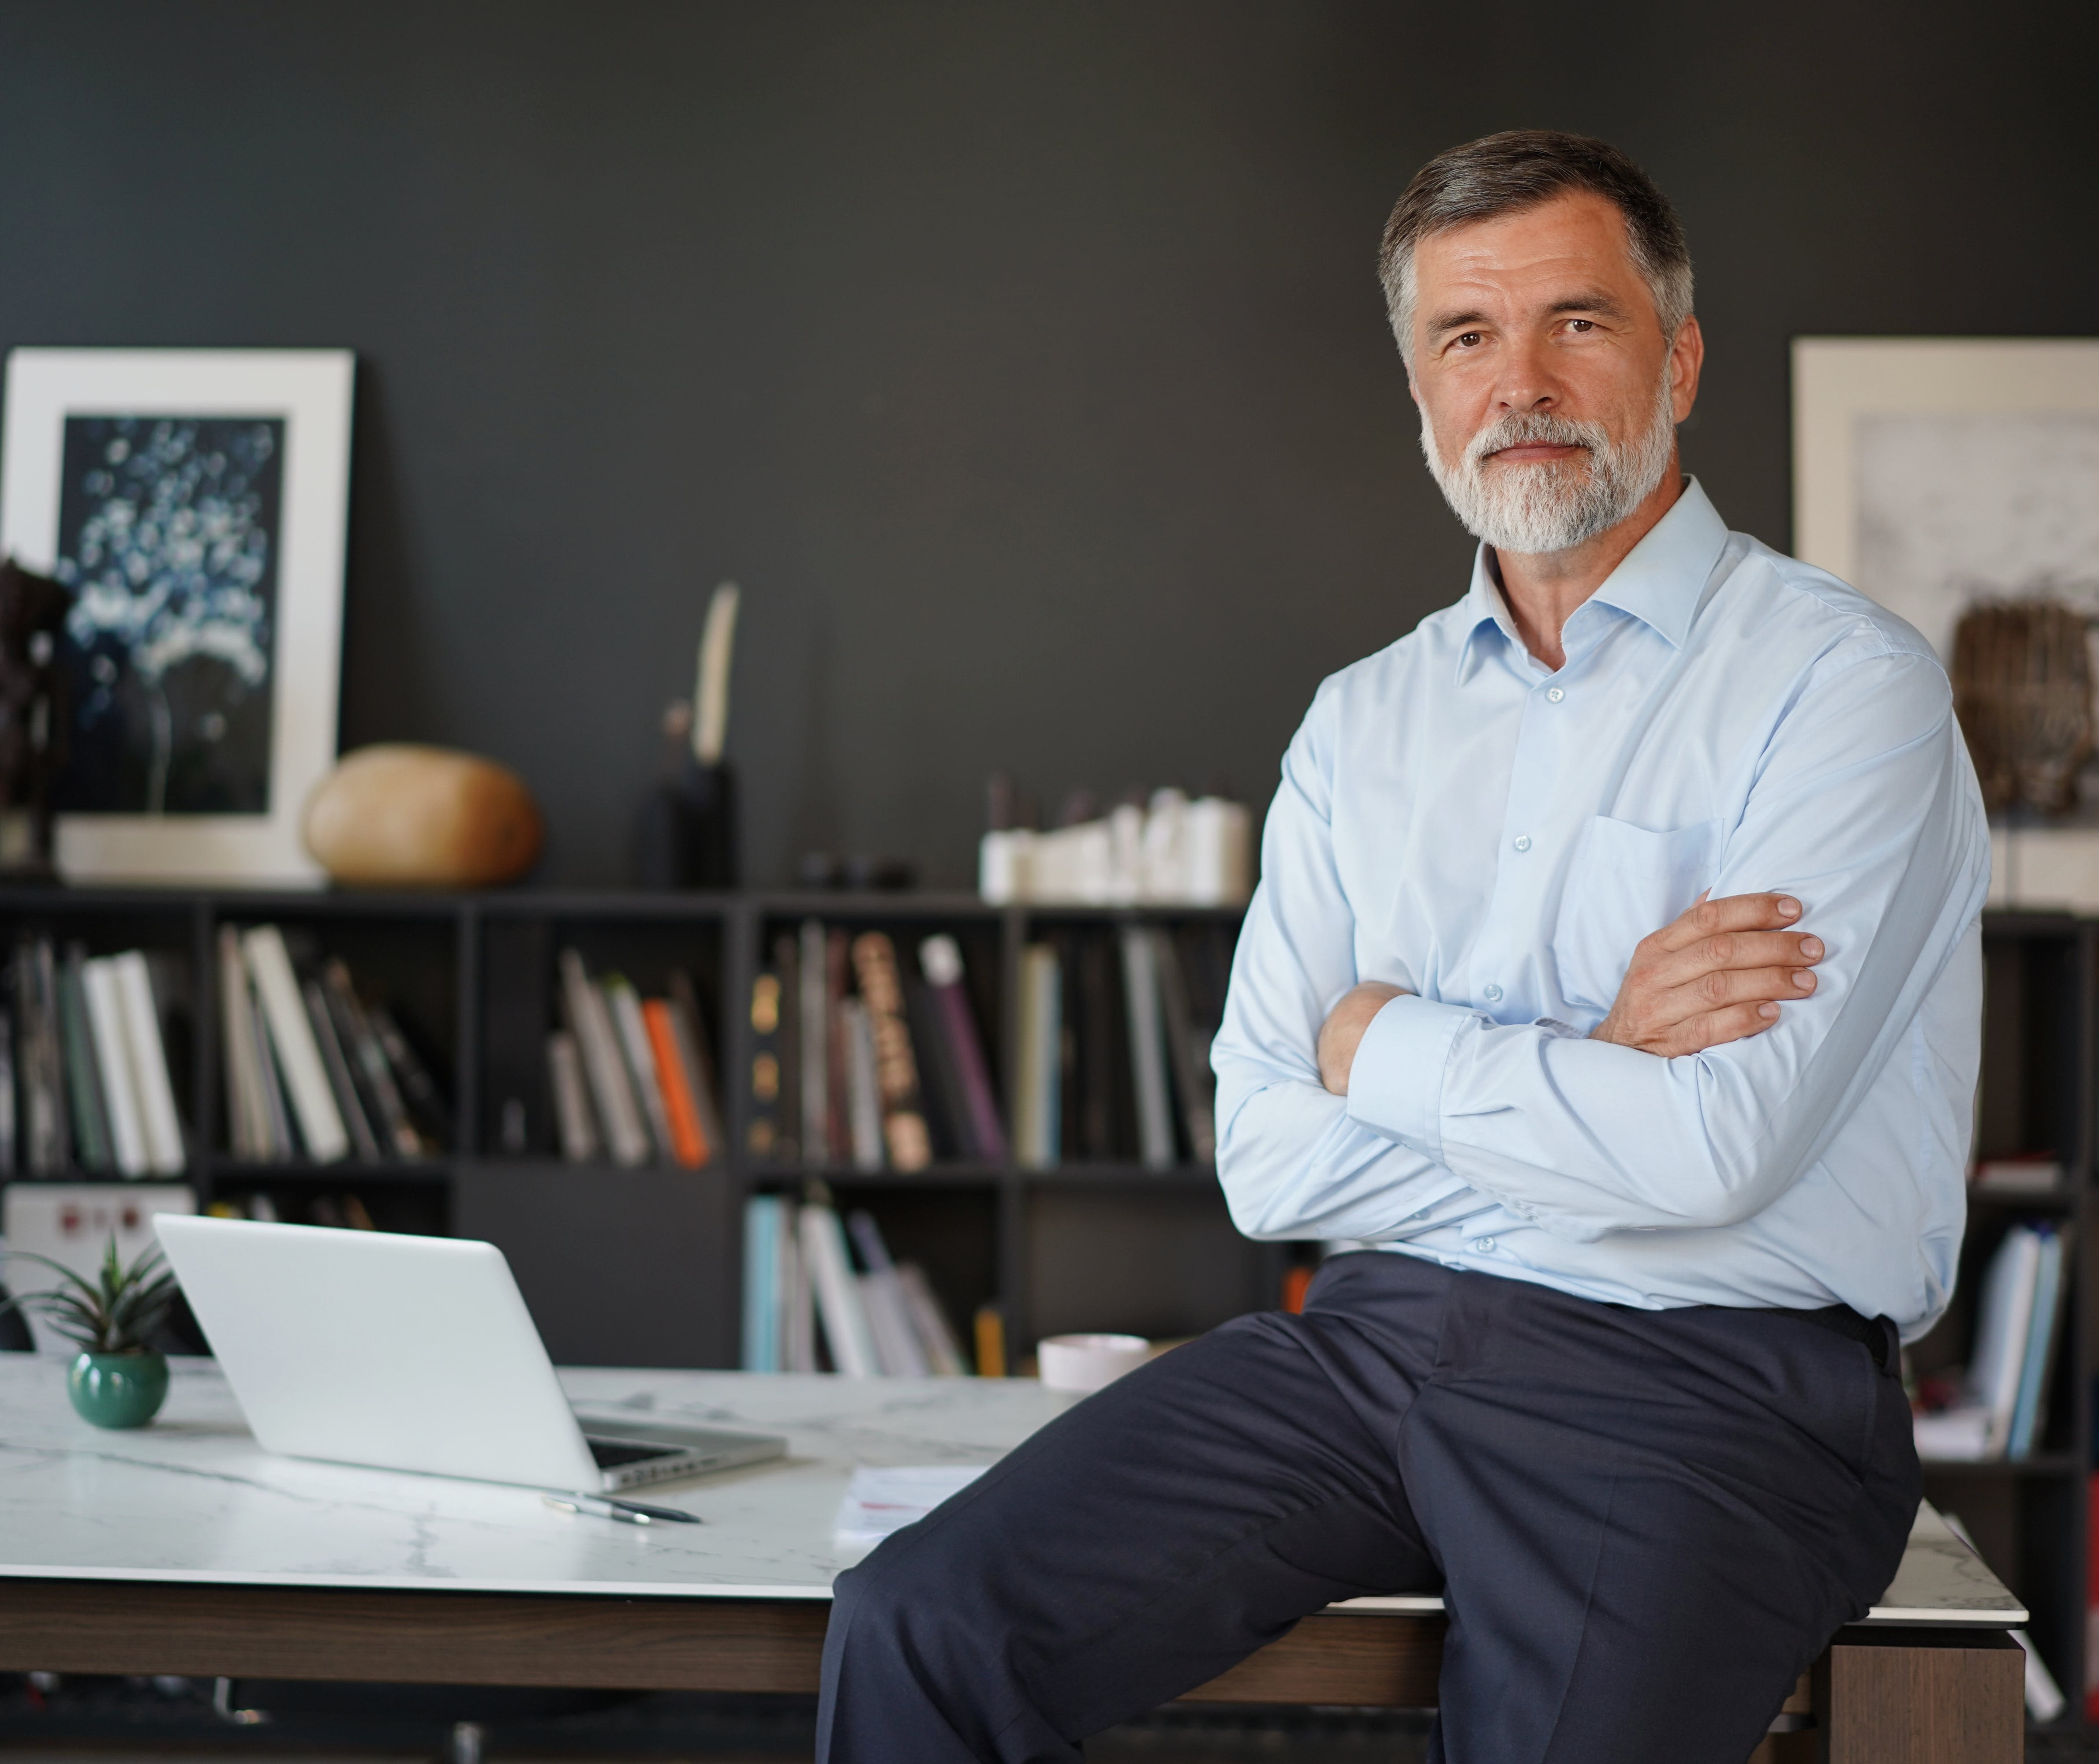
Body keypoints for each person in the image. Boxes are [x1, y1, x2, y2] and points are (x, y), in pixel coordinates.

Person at [816, 130, 1988, 1764]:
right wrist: (1594, 1079)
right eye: (1465, 337)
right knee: (920, 1625)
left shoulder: (1843, 689)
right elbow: (1265, 1159)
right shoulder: (1362, 722)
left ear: (1682, 357)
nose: (1521, 381)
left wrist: (1383, 1047)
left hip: (1710, 1392)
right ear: (1421, 391)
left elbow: (1717, 1152)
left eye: (1577, 322)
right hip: (1369, 1349)